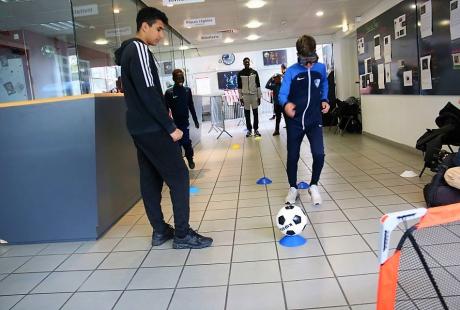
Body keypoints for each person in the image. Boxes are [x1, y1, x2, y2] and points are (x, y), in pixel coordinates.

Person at [114, 7, 212, 249]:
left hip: (139, 128)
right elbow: (149, 93)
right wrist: (170, 127)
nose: (161, 35)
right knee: (178, 176)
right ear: (144, 26)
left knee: (150, 177)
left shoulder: (128, 52)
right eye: (158, 29)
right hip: (152, 127)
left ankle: (159, 231)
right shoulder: (138, 49)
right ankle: (182, 234)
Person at [279, 35, 330, 205]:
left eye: (312, 60)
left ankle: (313, 185)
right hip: (294, 122)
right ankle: (293, 188)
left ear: (315, 54)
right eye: (304, 61)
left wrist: (325, 99)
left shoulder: (321, 68)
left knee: (319, 154)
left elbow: (324, 84)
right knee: (293, 156)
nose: (309, 64)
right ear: (298, 56)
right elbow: (282, 94)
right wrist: (285, 104)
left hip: (314, 119)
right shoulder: (292, 71)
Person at [165, 69, 199, 169]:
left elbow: (191, 106)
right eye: (178, 77)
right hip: (174, 124)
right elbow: (166, 110)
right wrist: (167, 124)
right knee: (177, 145)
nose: (180, 79)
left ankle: (190, 159)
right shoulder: (169, 92)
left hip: (184, 123)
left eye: (182, 77)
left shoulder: (187, 90)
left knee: (186, 142)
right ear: (173, 78)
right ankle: (180, 164)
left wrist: (196, 120)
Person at [238, 57, 262, 137]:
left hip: (254, 95)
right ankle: (249, 130)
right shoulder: (240, 73)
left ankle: (256, 129)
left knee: (255, 113)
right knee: (247, 114)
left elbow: (258, 85)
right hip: (245, 96)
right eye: (245, 62)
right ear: (243, 63)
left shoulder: (254, 72)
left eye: (248, 62)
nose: (247, 63)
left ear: (250, 63)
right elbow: (239, 86)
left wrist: (259, 96)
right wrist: (240, 98)